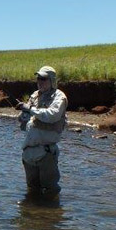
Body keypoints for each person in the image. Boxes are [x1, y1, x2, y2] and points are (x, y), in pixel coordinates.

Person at [16, 66, 68, 199]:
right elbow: (26, 121)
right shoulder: (34, 95)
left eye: (43, 79)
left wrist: (30, 109)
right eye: (38, 78)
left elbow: (53, 115)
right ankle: (33, 217)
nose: (40, 81)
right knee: (32, 191)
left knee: (50, 191)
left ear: (52, 80)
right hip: (29, 153)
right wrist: (23, 115)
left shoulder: (59, 97)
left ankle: (51, 216)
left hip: (46, 153)